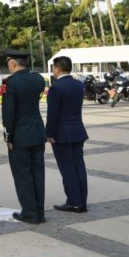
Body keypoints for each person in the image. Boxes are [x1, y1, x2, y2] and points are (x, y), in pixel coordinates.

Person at [2, 49, 47, 224]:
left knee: (23, 175)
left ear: (13, 63)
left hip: (20, 136)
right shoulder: (38, 79)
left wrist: (8, 137)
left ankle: (29, 213)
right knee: (38, 174)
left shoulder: (11, 83)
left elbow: (8, 113)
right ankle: (39, 212)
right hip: (37, 132)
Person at [47, 56, 88, 213]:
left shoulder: (56, 88)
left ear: (57, 68)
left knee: (68, 169)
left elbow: (53, 114)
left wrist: (49, 134)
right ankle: (82, 201)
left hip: (62, 134)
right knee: (79, 167)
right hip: (78, 131)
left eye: (53, 68)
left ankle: (74, 202)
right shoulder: (78, 85)